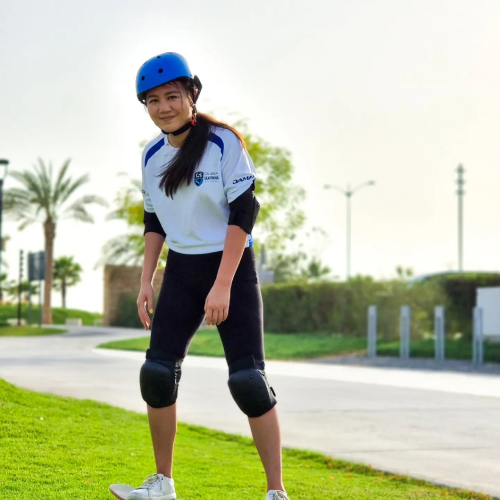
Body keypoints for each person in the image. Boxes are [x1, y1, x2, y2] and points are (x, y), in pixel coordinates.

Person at [126, 52, 290, 500]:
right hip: (181, 271)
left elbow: (244, 212)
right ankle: (163, 483)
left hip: (231, 270)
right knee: (157, 373)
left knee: (248, 381)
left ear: (191, 95)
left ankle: (276, 492)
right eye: (153, 100)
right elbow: (155, 220)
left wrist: (222, 285)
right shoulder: (152, 156)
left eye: (172, 97)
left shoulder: (223, 142)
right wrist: (146, 280)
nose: (163, 107)